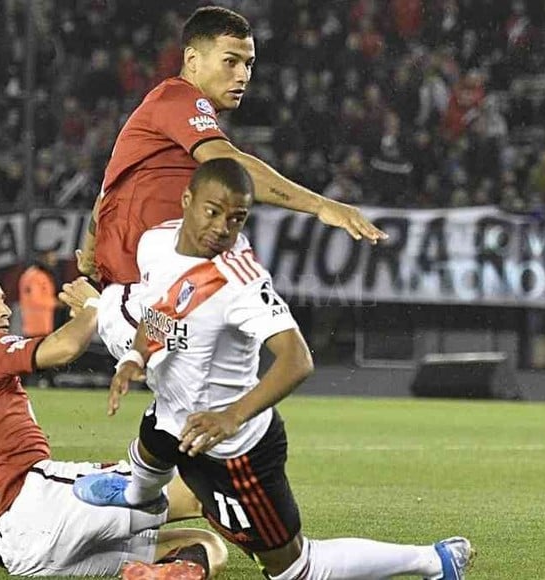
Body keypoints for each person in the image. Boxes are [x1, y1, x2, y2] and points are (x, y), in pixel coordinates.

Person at [75, 159, 474, 580]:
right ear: (187, 200)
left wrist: (232, 416)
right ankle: (138, 496)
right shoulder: (154, 243)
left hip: (232, 449)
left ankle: (434, 560)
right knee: (150, 451)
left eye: (237, 218)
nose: (223, 228)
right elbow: (160, 309)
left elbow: (298, 359)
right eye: (213, 212)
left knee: (291, 569)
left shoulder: (239, 280)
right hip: (175, 415)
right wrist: (134, 358)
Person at [0, 263, 228, 579]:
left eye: (2, 300)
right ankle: (281, 556)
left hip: (15, 551)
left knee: (203, 544)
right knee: (201, 490)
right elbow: (63, 347)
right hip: (39, 504)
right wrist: (96, 305)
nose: (4, 310)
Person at [76, 6, 387, 355]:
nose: (243, 75)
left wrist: (89, 252)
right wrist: (320, 205)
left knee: (220, 373)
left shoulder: (167, 116)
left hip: (162, 289)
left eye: (249, 64)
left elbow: (108, 187)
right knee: (189, 361)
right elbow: (231, 165)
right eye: (230, 61)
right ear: (192, 60)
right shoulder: (176, 99)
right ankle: (96, 312)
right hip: (138, 294)